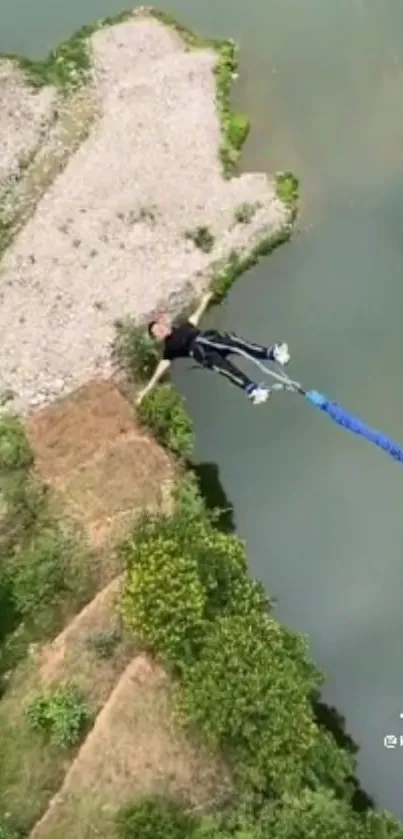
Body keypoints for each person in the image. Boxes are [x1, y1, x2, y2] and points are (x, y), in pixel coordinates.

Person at [136, 292, 291, 406]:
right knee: (226, 369)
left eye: (160, 327)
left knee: (238, 345)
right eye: (157, 332)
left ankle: (272, 354)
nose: (161, 330)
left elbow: (195, 317)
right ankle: (253, 390)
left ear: (165, 325)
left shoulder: (183, 327)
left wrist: (205, 300)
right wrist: (145, 391)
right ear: (158, 338)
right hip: (201, 351)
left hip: (209, 339)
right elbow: (160, 370)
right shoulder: (169, 350)